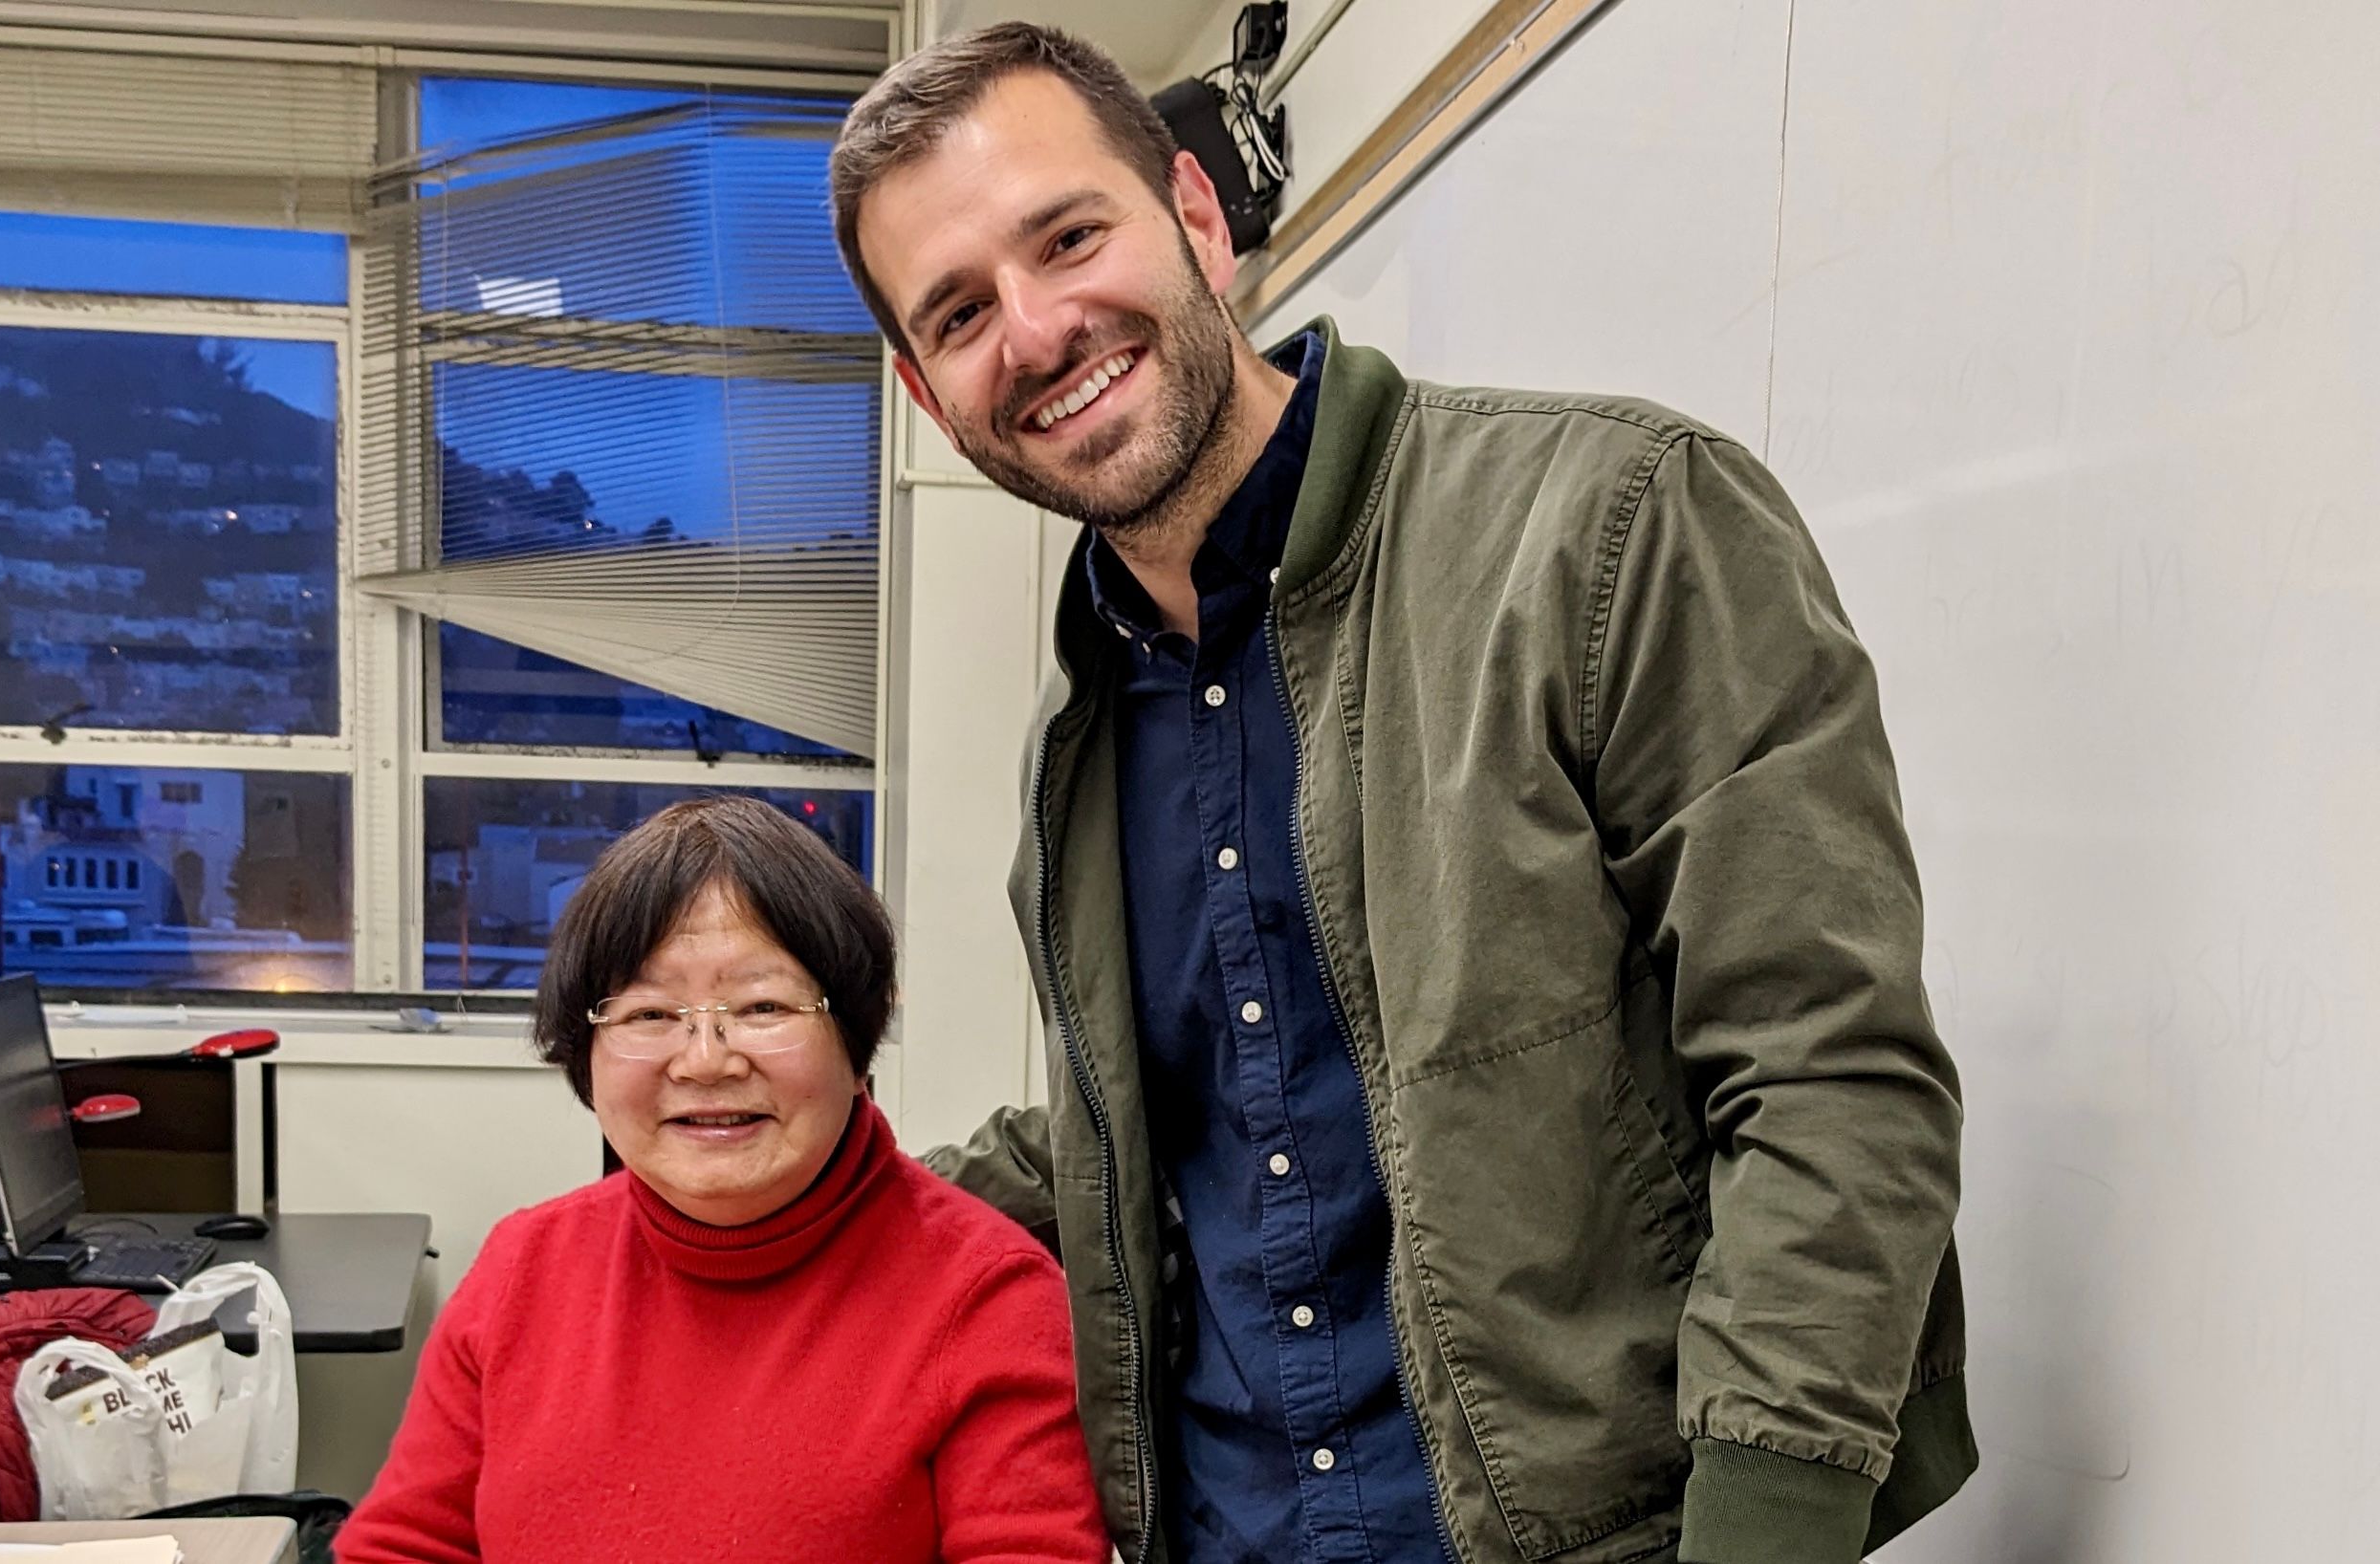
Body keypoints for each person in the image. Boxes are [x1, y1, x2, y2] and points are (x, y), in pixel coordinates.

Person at [830, 25, 1973, 1564]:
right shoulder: (1077, 736)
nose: (1033, 330)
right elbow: (1173, 1118)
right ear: (923, 390)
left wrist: (1767, 1530)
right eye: (959, 311)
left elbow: (1828, 1077)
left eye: (1069, 235)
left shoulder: (1609, 528)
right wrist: (786, 1174)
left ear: (1197, 215)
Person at [338, 796, 1108, 1564]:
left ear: (856, 1041)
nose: (706, 1059)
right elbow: (405, 1546)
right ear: (583, 1050)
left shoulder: (992, 1301)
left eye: (762, 1005)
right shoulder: (523, 1265)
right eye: (648, 1014)